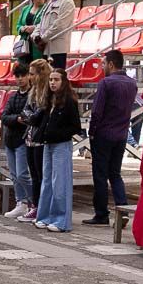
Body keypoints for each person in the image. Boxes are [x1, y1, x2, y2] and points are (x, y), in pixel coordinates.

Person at [83, 49, 134, 226]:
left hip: (104, 134)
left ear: (111, 64)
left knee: (100, 175)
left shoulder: (106, 83)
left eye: (104, 64)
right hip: (121, 134)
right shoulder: (131, 83)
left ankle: (101, 214)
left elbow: (97, 111)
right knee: (115, 174)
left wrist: (92, 131)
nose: (102, 67)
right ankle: (123, 211)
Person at [33, 68, 81, 233]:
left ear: (64, 82)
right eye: (51, 79)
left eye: (56, 80)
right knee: (47, 181)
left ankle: (61, 220)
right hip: (48, 144)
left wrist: (58, 134)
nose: (52, 82)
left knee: (60, 183)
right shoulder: (49, 100)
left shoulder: (69, 102)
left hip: (61, 145)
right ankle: (44, 216)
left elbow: (76, 127)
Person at [16, 58, 52, 224]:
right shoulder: (33, 91)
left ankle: (40, 207)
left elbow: (37, 116)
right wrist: (29, 117)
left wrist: (29, 117)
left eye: (31, 74)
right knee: (34, 174)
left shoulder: (47, 93)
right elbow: (26, 113)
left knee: (40, 175)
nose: (29, 77)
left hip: (40, 139)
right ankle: (35, 205)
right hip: (30, 137)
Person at [0, 63, 33, 219]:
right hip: (10, 140)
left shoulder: (31, 96)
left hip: (22, 140)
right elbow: (4, 116)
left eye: (23, 75)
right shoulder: (13, 97)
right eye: (17, 76)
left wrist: (16, 119)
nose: (20, 79)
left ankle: (33, 201)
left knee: (22, 174)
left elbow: (27, 117)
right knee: (14, 174)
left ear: (28, 76)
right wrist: (17, 118)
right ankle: (21, 202)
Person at [34, 0, 76, 70]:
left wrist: (42, 39)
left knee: (56, 80)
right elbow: (41, 23)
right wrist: (35, 36)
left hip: (57, 50)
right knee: (46, 80)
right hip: (46, 49)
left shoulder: (67, 2)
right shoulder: (50, 2)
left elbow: (59, 26)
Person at [14, 0, 48, 66]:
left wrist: (35, 28)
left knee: (36, 70)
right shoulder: (25, 9)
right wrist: (23, 29)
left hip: (37, 45)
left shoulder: (46, 9)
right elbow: (18, 25)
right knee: (23, 70)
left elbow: (47, 25)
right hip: (24, 45)